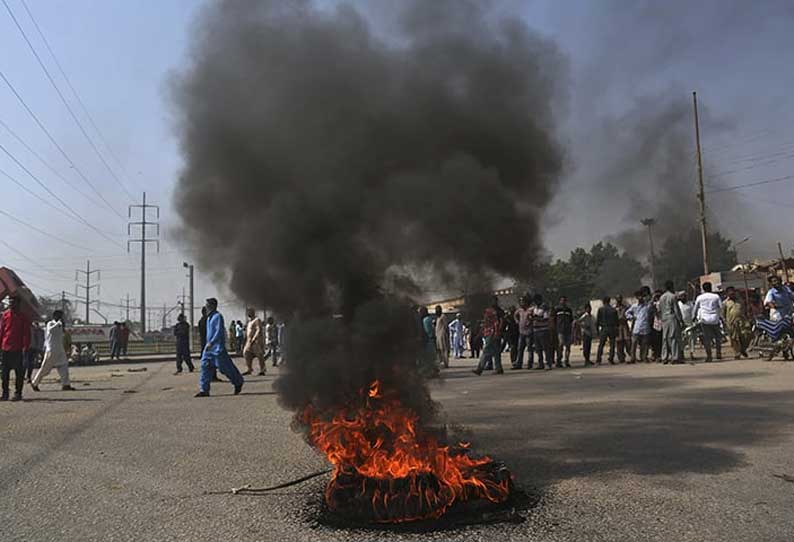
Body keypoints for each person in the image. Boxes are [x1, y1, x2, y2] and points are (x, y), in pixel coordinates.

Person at [195, 298, 244, 397]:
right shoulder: (209, 318)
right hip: (208, 349)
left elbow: (218, 332)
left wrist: (212, 342)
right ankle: (204, 390)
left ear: (212, 306)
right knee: (205, 366)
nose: (206, 306)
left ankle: (238, 382)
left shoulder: (218, 317)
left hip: (217, 348)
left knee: (225, 368)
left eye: (207, 304)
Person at [31, 310, 74, 391]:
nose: (61, 318)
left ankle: (66, 384)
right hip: (52, 349)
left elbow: (62, 334)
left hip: (60, 349)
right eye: (60, 316)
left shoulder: (61, 325)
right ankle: (34, 383)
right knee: (45, 369)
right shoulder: (50, 323)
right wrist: (58, 324)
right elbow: (51, 330)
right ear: (55, 316)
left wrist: (62, 326)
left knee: (64, 366)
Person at [0, 295, 31, 401]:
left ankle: (18, 393)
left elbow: (26, 334)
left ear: (18, 304)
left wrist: (25, 347)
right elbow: (2, 331)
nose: (11, 304)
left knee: (19, 373)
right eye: (10, 302)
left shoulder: (23, 317)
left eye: (13, 303)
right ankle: (5, 393)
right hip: (5, 348)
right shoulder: (5, 315)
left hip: (18, 349)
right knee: (4, 373)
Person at [693, 282, 723, 363]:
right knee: (718, 337)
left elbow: (695, 308)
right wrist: (722, 318)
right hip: (715, 319)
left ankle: (709, 356)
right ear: (711, 288)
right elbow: (721, 307)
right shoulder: (716, 296)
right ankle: (718, 353)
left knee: (707, 339)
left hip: (704, 320)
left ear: (703, 289)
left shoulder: (700, 297)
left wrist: (693, 317)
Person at [471, 306, 503, 375]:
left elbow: (495, 326)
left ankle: (479, 369)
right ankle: (499, 368)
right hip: (492, 336)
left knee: (486, 352)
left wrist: (495, 334)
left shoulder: (491, 318)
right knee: (496, 353)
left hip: (491, 336)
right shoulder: (489, 319)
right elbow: (484, 327)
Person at [658, 281, 684, 364]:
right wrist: (680, 319)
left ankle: (664, 357)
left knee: (665, 338)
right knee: (673, 338)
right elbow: (676, 309)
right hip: (672, 318)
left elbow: (660, 310)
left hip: (664, 318)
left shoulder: (661, 297)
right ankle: (675, 357)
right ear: (672, 287)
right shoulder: (673, 296)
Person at [722, 286, 751, 360]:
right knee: (734, 339)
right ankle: (737, 353)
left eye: (733, 292)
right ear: (727, 294)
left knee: (746, 335)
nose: (732, 294)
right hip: (731, 322)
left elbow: (745, 310)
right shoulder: (725, 303)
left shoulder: (740, 301)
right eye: (730, 293)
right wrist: (725, 323)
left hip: (742, 321)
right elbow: (723, 314)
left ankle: (742, 349)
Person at [626, 290, 653, 364]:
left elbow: (652, 303)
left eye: (642, 296)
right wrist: (632, 317)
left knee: (645, 344)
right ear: (637, 297)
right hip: (637, 327)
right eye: (639, 296)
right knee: (634, 343)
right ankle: (632, 358)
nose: (640, 298)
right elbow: (627, 313)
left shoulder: (647, 305)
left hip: (645, 327)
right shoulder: (634, 306)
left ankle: (644, 357)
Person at [242, 308, 266, 376]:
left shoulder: (257, 320)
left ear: (253, 312)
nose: (248, 313)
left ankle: (262, 370)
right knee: (246, 353)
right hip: (248, 341)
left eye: (250, 312)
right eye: (248, 312)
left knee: (259, 355)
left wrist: (254, 338)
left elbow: (258, 330)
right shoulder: (249, 322)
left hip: (255, 341)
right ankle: (249, 369)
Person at [512, 296, 534, 369]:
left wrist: (530, 321)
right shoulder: (520, 310)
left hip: (529, 332)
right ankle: (519, 363)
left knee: (529, 348)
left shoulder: (530, 309)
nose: (521, 303)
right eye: (521, 302)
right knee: (520, 348)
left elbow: (533, 317)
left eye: (523, 302)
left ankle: (530, 363)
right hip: (521, 332)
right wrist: (517, 321)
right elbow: (515, 315)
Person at [532, 294, 553, 370]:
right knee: (538, 348)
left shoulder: (544, 307)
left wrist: (537, 318)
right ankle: (540, 363)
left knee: (546, 347)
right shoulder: (534, 308)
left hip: (543, 329)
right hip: (536, 330)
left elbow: (546, 318)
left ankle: (548, 363)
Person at [596, 296, 618, 365]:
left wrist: (597, 330)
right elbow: (616, 321)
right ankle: (611, 359)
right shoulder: (613, 310)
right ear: (609, 301)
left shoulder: (601, 309)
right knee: (612, 344)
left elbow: (598, 320)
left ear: (603, 301)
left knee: (601, 344)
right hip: (612, 328)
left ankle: (598, 360)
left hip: (604, 328)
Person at [555, 296, 573, 367]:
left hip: (568, 330)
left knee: (568, 346)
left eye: (564, 300)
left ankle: (566, 360)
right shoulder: (557, 309)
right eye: (562, 300)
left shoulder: (569, 310)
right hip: (560, 330)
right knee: (561, 345)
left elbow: (571, 320)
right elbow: (554, 319)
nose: (563, 302)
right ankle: (559, 360)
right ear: (560, 301)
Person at [678, 293, 696, 359]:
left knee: (691, 339)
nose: (683, 297)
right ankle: (682, 354)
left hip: (689, 325)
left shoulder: (690, 304)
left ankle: (692, 354)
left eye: (684, 296)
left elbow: (693, 314)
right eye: (681, 296)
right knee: (682, 340)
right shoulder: (678, 304)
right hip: (681, 325)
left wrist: (693, 323)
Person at [615, 294, 631, 363]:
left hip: (624, 325)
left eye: (620, 298)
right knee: (619, 342)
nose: (619, 300)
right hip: (618, 326)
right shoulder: (614, 308)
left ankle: (631, 355)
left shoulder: (626, 307)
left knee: (628, 341)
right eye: (618, 298)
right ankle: (621, 357)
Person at [650, 290, 663, 362]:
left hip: (662, 324)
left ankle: (659, 355)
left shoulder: (662, 303)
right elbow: (650, 307)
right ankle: (656, 355)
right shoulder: (653, 304)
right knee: (655, 342)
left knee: (660, 342)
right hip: (656, 324)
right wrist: (653, 298)